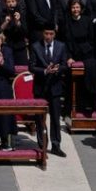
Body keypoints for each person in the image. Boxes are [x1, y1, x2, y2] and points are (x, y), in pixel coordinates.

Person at [29, 23, 70, 156]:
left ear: (54, 34)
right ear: (43, 33)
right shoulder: (35, 46)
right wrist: (45, 71)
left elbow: (65, 65)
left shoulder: (61, 46)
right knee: (40, 117)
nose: (48, 36)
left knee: (55, 117)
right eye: (46, 33)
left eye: (51, 34)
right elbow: (31, 67)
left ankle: (56, 145)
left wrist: (58, 69)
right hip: (40, 87)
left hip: (55, 86)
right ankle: (42, 145)